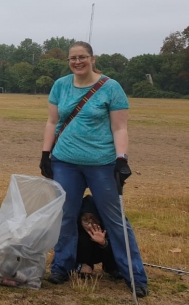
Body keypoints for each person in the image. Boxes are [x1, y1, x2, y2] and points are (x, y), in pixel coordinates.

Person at [40, 41, 148, 297]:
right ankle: (62, 266)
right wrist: (46, 154)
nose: (77, 62)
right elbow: (52, 121)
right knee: (65, 216)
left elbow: (119, 128)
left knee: (114, 218)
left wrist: (122, 159)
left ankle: (133, 273)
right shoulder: (61, 85)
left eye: (82, 57)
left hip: (102, 163)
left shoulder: (111, 88)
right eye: (73, 58)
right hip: (65, 161)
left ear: (92, 58)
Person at [76, 194, 119, 279]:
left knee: (111, 244)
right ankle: (85, 264)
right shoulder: (75, 229)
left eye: (92, 218)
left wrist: (103, 243)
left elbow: (118, 247)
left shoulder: (107, 225)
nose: (89, 224)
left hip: (102, 252)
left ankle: (110, 268)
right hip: (84, 253)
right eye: (85, 219)